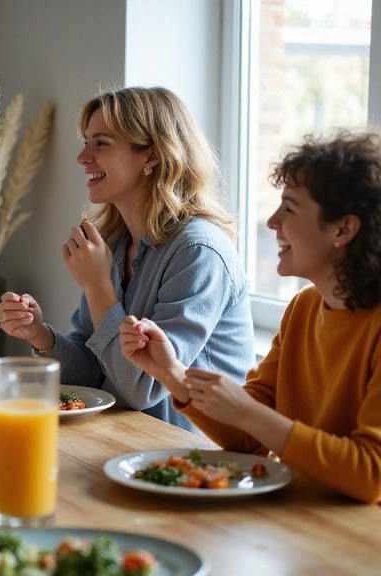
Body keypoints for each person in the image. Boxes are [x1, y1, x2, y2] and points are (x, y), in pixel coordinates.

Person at [120, 130, 381, 503]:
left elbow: (371, 474)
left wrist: (249, 413)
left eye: (289, 208)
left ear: (343, 229)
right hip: (302, 522)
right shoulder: (303, 310)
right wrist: (172, 375)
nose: (272, 221)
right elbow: (249, 438)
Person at [0, 87, 254, 430]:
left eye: (100, 143)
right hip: (125, 443)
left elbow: (141, 389)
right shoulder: (114, 245)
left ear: (151, 156)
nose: (82, 157)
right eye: (86, 142)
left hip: (190, 458)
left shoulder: (199, 251)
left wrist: (98, 285)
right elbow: (98, 373)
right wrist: (40, 334)